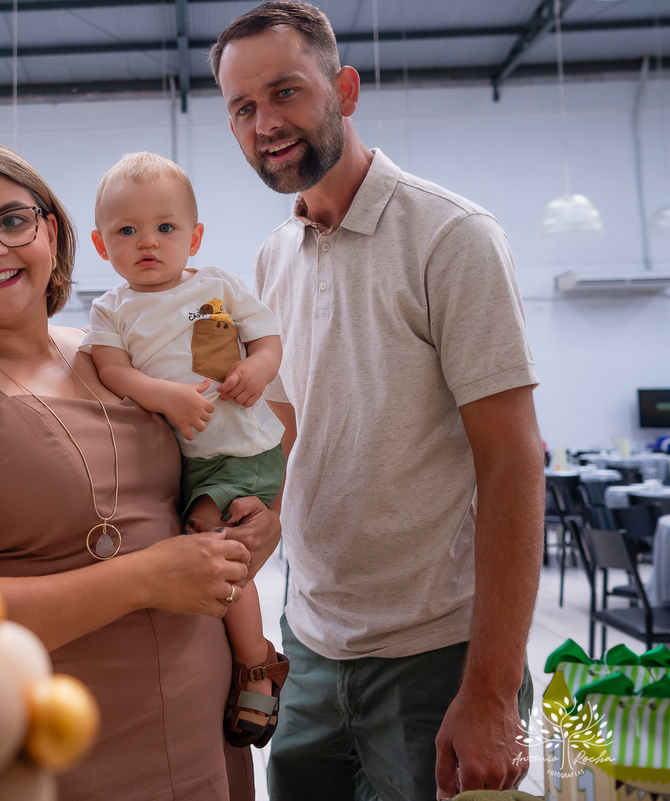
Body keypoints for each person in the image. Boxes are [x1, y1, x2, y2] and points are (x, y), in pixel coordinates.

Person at [0, 138, 281, 800]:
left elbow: (233, 431)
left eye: (11, 220)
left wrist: (260, 524)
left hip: (201, 729)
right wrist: (142, 578)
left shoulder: (110, 351)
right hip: (61, 745)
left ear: (50, 230)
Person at [210, 3, 545, 800]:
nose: (266, 123)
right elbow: (285, 426)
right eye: (243, 108)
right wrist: (247, 528)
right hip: (313, 645)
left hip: (438, 654)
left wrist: (493, 690)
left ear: (345, 90)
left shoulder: (449, 235)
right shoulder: (272, 255)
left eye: (287, 92)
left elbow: (513, 461)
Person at [81, 151, 289, 748]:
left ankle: (256, 666)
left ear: (194, 236)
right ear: (101, 245)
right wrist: (166, 397)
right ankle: (243, 660)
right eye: (127, 231)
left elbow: (268, 337)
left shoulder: (216, 286)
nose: (148, 241)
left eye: (166, 228)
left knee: (212, 546)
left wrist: (257, 367)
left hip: (242, 450)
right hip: (188, 460)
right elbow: (114, 371)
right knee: (205, 548)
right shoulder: (111, 309)